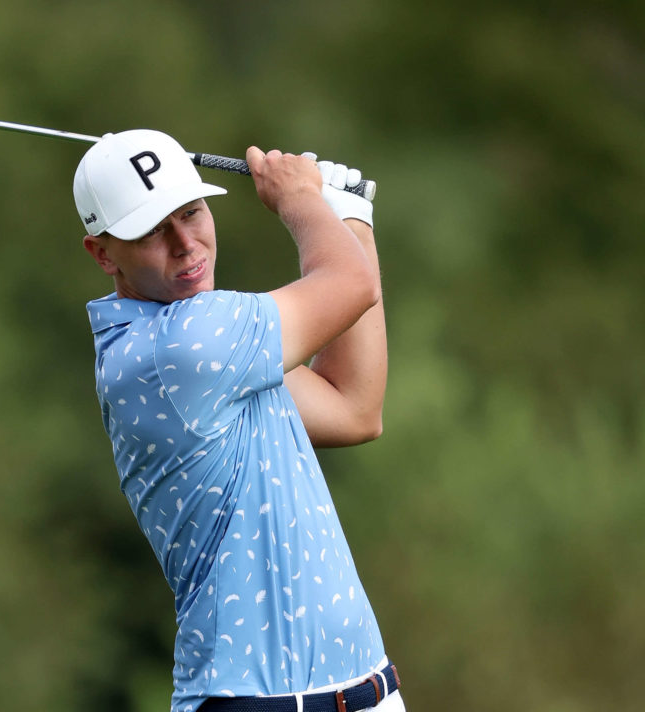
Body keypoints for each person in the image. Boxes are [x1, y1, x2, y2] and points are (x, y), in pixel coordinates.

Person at [76, 129, 402, 712]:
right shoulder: (181, 348)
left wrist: (351, 219)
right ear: (102, 253)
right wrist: (301, 197)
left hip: (366, 687)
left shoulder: (220, 353)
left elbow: (354, 407)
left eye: (192, 212)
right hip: (263, 700)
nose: (185, 244)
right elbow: (350, 285)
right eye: (152, 230)